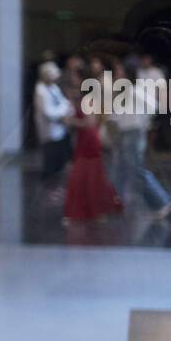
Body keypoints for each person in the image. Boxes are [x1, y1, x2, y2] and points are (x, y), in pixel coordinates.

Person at [113, 52, 171, 219]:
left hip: (133, 133)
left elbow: (153, 105)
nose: (117, 73)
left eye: (119, 70)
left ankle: (161, 201)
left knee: (137, 171)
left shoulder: (134, 89)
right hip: (127, 133)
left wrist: (142, 122)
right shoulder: (125, 89)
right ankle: (119, 202)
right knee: (127, 170)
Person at [63, 57, 123, 223]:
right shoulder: (87, 97)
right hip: (89, 140)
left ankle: (84, 211)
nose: (73, 80)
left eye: (75, 77)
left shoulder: (87, 99)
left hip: (88, 140)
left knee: (82, 176)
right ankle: (98, 210)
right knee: (93, 176)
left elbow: (89, 124)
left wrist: (70, 121)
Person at [35, 61, 73, 187]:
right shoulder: (40, 91)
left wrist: (65, 111)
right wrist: (62, 112)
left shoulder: (54, 88)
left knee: (59, 156)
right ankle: (48, 181)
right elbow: (48, 112)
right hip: (49, 129)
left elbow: (65, 103)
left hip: (59, 128)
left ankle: (56, 179)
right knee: (50, 158)